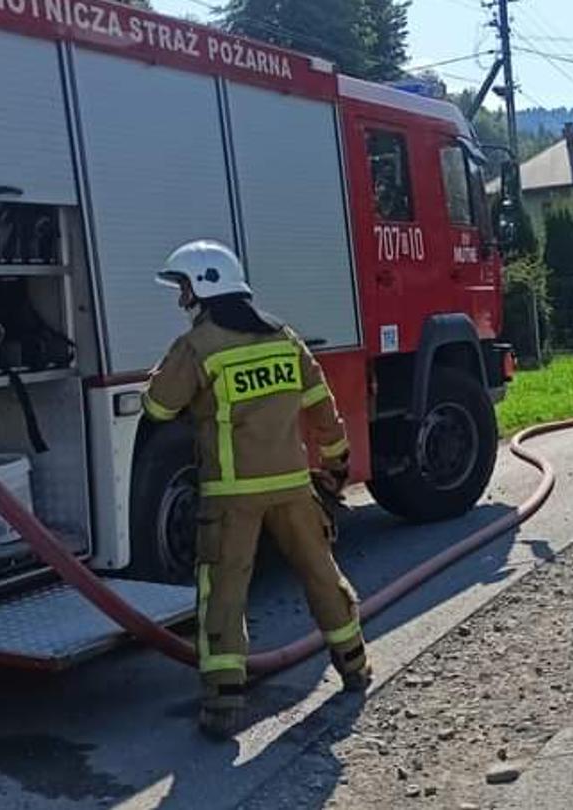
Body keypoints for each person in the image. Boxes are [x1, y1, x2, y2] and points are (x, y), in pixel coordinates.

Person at [141, 240, 369, 739]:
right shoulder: (284, 338)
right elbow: (322, 407)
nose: (181, 300)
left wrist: (168, 377)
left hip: (232, 495)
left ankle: (223, 705)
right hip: (292, 487)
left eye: (183, 288)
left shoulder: (199, 347)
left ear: (202, 286)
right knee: (321, 574)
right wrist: (336, 465)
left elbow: (157, 408)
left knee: (223, 591)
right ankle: (354, 665)